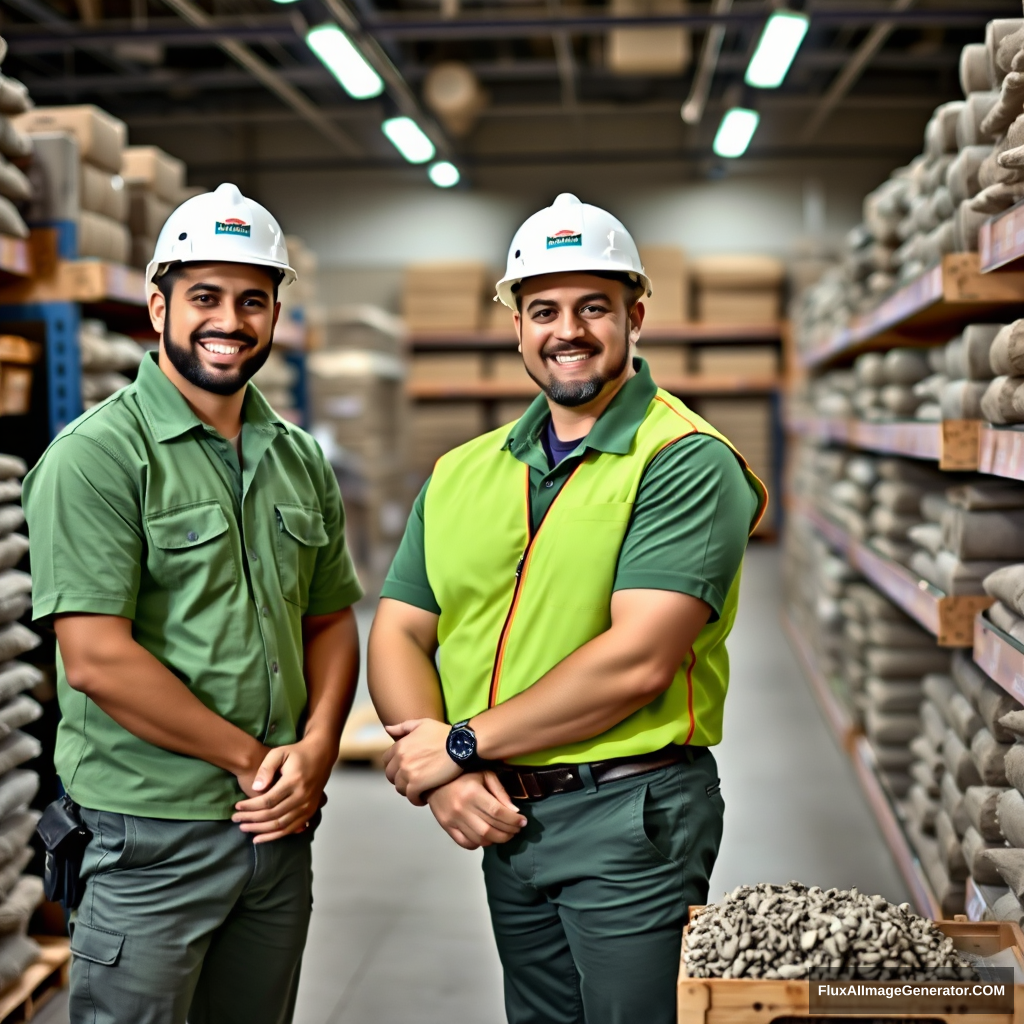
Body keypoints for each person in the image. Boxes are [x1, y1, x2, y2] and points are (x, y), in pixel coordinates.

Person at [368, 192, 767, 1024]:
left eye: (595, 307)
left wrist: (463, 743)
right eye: (543, 309)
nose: (569, 330)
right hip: (508, 815)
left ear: (636, 315)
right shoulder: (463, 472)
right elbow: (403, 628)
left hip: (629, 817)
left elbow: (637, 661)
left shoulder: (684, 461)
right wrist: (446, 772)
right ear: (517, 324)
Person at [22, 183, 363, 1024]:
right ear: (158, 302)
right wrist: (254, 762)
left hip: (278, 829)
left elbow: (328, 620)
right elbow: (96, 659)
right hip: (151, 836)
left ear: (276, 312)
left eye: (254, 300)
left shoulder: (297, 458)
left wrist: (317, 749)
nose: (231, 321)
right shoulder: (98, 456)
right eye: (205, 296)